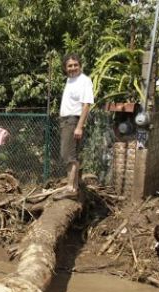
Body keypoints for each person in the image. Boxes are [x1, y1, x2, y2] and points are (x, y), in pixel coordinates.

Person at [58, 53, 94, 196]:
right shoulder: (69, 80)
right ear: (65, 68)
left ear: (80, 65)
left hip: (73, 120)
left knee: (68, 154)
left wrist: (79, 126)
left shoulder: (84, 80)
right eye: (69, 66)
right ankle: (75, 185)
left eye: (75, 65)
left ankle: (70, 188)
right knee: (72, 154)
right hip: (66, 120)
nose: (72, 68)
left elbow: (86, 105)